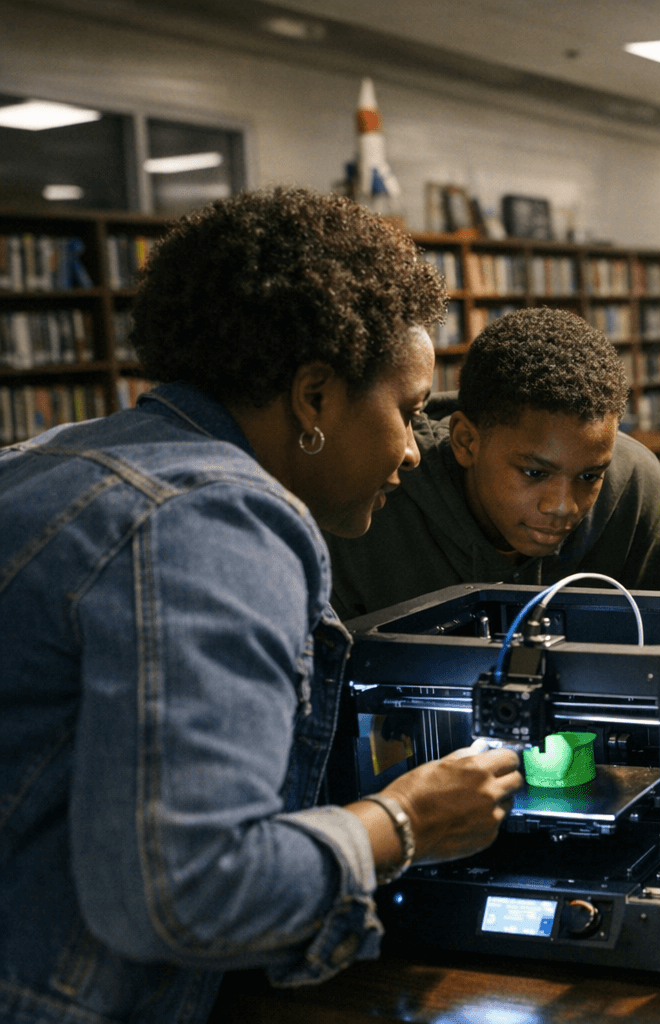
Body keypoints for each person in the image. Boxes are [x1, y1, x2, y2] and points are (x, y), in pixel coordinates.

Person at [0, 188, 524, 1024]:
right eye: (410, 412)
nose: (413, 452)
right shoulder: (217, 519)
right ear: (314, 397)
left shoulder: (49, 457)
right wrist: (407, 821)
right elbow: (189, 890)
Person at [326, 307, 660, 621]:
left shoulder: (635, 487)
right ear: (466, 442)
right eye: (534, 472)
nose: (563, 506)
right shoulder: (367, 509)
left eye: (590, 477)